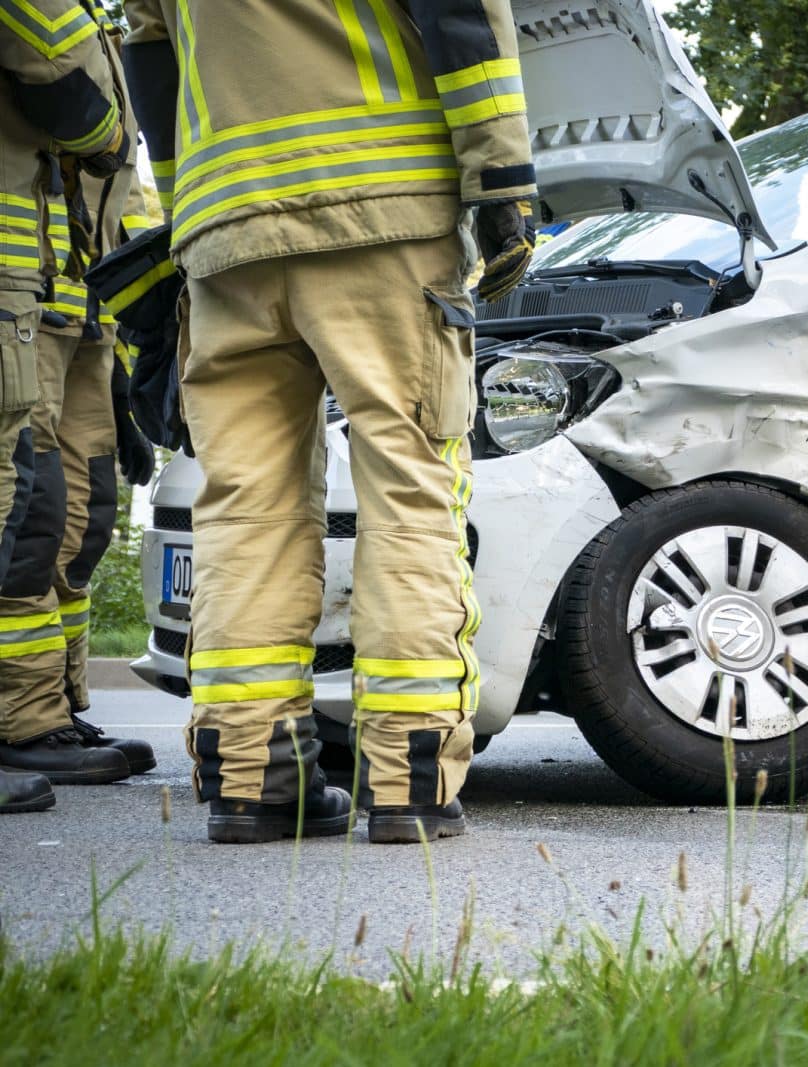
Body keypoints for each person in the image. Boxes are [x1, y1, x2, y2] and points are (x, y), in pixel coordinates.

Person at [122, 0, 537, 844]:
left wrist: (191, 214)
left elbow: (154, 53)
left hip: (222, 233)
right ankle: (407, 782)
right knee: (410, 491)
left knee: (244, 510)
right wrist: (502, 181)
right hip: (379, 210)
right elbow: (460, 12)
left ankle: (253, 778)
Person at [0, 0, 132, 805]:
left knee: (83, 518)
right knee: (23, 511)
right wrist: (112, 124)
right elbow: (68, 86)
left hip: (84, 304)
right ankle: (22, 716)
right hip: (20, 292)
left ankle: (56, 702)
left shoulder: (101, 17)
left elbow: (127, 187)